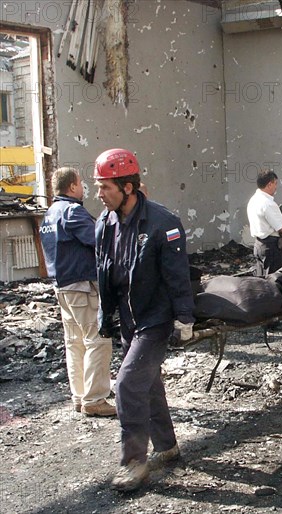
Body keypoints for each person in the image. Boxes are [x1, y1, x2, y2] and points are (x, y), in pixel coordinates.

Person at [93, 148, 195, 491]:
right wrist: (104, 316)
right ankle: (167, 447)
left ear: (128, 186)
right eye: (98, 186)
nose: (99, 193)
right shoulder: (104, 224)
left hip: (156, 317)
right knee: (147, 383)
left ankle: (134, 462)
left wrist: (184, 318)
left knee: (126, 385)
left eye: (106, 187)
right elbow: (104, 273)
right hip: (128, 317)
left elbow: (177, 275)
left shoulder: (163, 223)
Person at [39, 167, 116, 417]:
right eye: (82, 184)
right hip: (83, 287)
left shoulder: (50, 214)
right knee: (98, 339)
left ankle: (80, 396)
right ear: (72, 186)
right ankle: (95, 399)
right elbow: (100, 241)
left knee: (74, 343)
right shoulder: (73, 212)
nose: (84, 188)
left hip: (63, 288)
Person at [247, 170, 282, 276]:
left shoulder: (253, 200)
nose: (276, 187)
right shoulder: (268, 204)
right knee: (276, 280)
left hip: (259, 245)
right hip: (272, 248)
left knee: (262, 279)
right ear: (269, 184)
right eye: (275, 183)